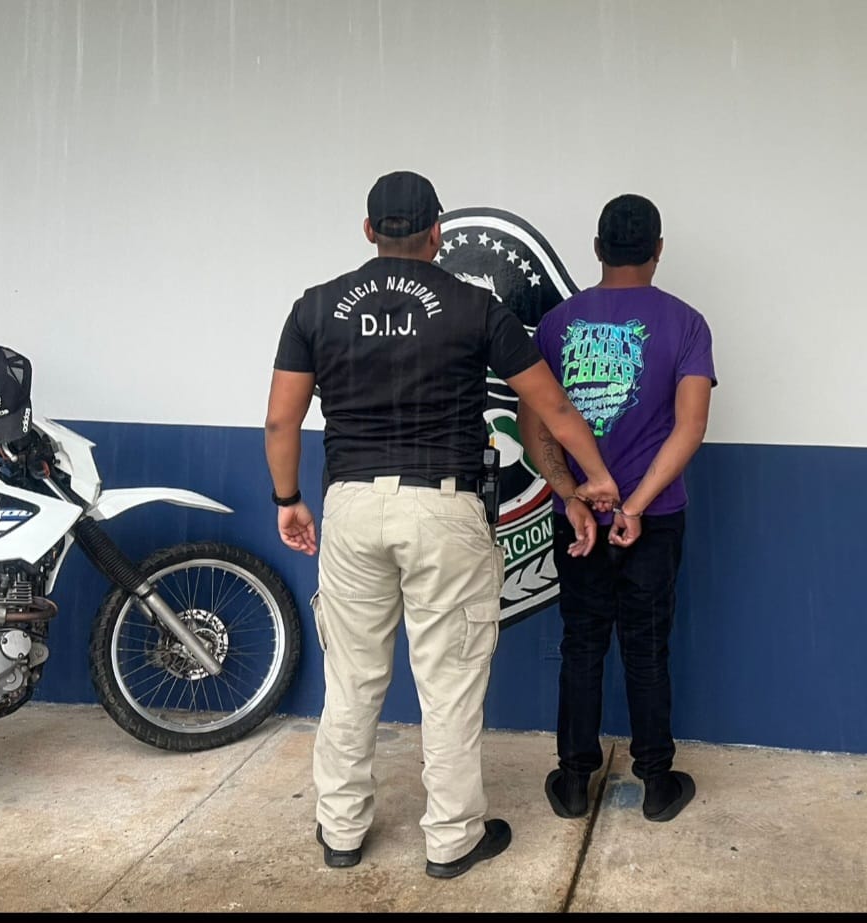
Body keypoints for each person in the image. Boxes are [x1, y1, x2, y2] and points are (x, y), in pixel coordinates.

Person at [263, 171, 620, 879]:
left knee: (351, 678)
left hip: (352, 504)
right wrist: (597, 476)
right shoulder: (475, 307)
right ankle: (452, 840)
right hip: (444, 505)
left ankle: (341, 829)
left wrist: (287, 498)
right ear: (437, 234)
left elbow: (281, 420)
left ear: (369, 230)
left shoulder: (315, 307)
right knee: (450, 683)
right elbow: (552, 405)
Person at [517, 193, 716, 824]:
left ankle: (574, 781)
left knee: (581, 643)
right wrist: (634, 505)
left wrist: (572, 493)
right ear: (658, 250)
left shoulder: (556, 324)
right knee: (647, 645)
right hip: (653, 518)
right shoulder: (688, 324)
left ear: (598, 249)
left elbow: (535, 426)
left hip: (577, 518)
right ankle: (657, 783)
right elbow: (690, 428)